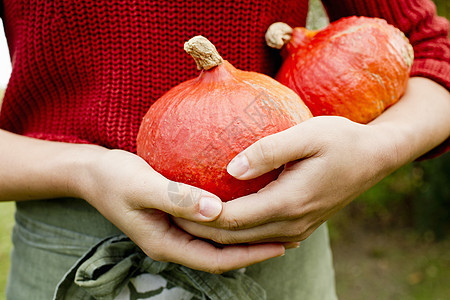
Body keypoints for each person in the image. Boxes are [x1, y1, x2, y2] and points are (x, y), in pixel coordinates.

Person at [0, 0, 448, 299]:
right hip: (68, 252)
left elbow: (433, 52)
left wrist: (374, 150)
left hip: (283, 238)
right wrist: (84, 171)